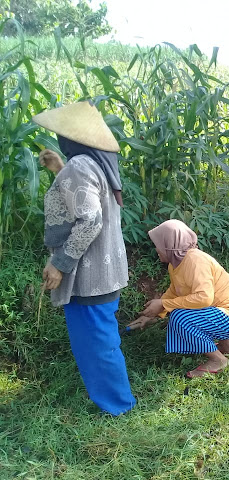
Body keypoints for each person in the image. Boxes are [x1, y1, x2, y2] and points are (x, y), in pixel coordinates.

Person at [33, 101, 136, 416]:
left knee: (97, 344)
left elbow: (90, 221)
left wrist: (59, 263)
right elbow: (88, 199)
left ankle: (117, 406)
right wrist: (60, 170)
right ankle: (115, 400)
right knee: (101, 339)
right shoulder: (95, 163)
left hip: (88, 274)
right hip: (107, 270)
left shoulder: (80, 167)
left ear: (73, 139)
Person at [127, 220, 229, 378]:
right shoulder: (176, 263)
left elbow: (204, 298)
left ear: (170, 244)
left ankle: (218, 360)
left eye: (159, 244)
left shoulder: (195, 260)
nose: (156, 249)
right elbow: (175, 291)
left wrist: (163, 304)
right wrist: (153, 314)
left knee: (181, 318)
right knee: (182, 311)